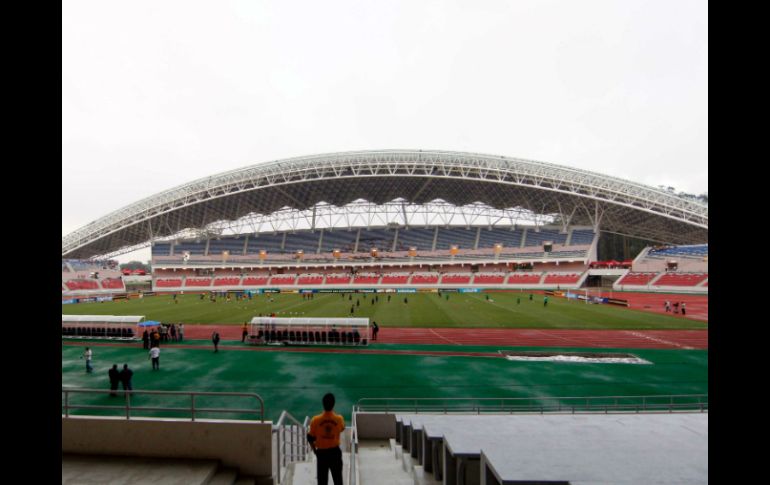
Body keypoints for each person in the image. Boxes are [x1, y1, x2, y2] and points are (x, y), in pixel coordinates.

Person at [307, 393, 345, 485]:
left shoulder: (315, 420)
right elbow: (342, 428)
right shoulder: (339, 419)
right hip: (335, 453)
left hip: (322, 454)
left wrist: (315, 451)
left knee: (322, 481)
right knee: (338, 480)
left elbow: (309, 437)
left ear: (323, 404)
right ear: (333, 404)